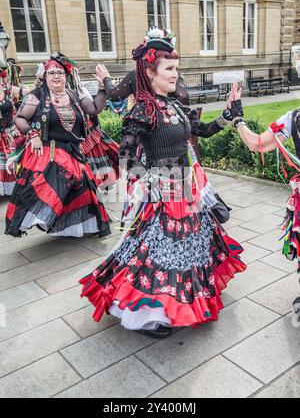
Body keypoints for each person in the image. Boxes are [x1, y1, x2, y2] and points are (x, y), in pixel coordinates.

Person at [79, 27, 246, 339]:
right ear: (150, 72)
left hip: (185, 190)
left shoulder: (176, 105)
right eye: (169, 69)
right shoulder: (143, 108)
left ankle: (178, 304)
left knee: (186, 252)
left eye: (176, 69)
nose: (175, 74)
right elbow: (127, 156)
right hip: (162, 194)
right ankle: (147, 315)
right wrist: (151, 184)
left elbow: (203, 131)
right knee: (157, 257)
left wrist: (228, 116)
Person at [5, 53, 110, 238]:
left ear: (66, 76)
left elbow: (94, 108)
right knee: (53, 191)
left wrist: (102, 87)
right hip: (48, 153)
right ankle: (47, 219)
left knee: (79, 191)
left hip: (74, 153)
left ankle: (73, 227)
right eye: (51, 72)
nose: (56, 76)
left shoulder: (75, 94)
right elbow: (19, 118)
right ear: (45, 76)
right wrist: (33, 135)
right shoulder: (36, 96)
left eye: (60, 73)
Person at [227, 81, 300, 324]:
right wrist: (237, 117)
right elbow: (257, 143)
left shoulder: (294, 118)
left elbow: (257, 143)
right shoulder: (293, 118)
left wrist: (238, 118)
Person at [0, 59, 31, 196]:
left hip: (10, 132)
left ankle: (17, 188)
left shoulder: (6, 88)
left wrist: (37, 90)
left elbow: (24, 92)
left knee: (16, 160)